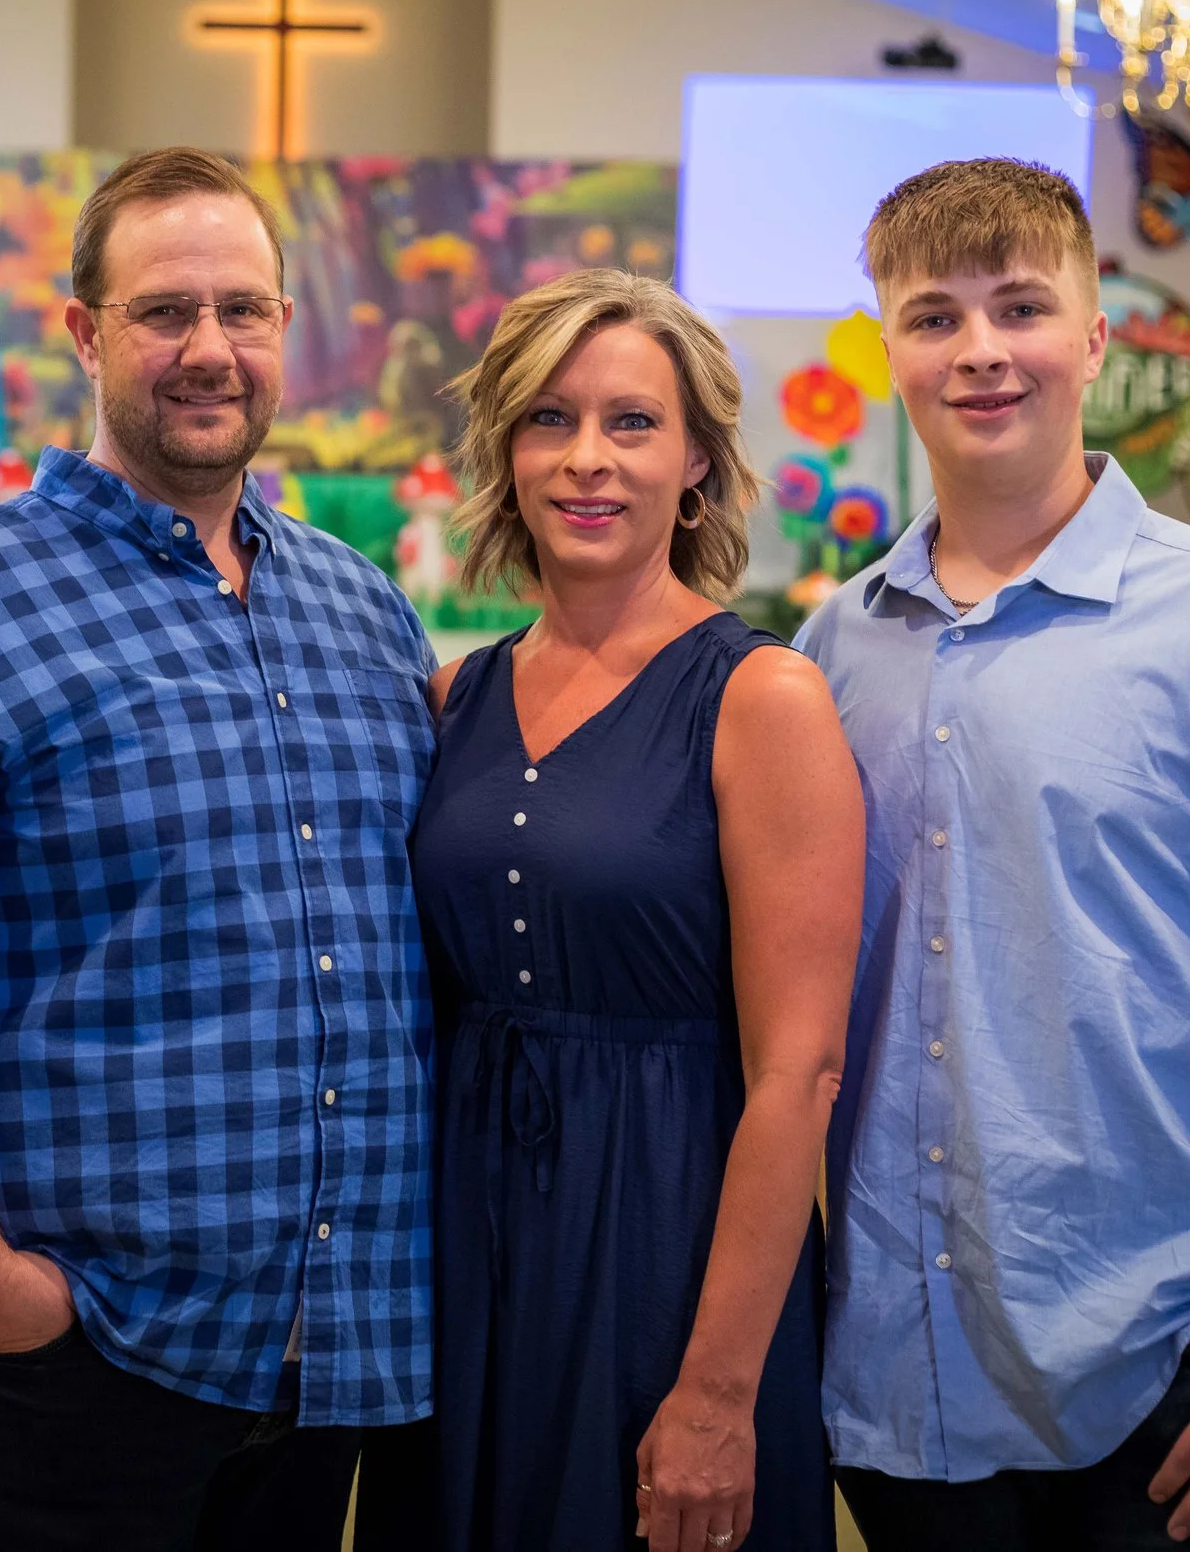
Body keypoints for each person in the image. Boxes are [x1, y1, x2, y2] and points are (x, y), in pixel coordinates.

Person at [0, 146, 437, 1552]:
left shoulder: (359, 607)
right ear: (84, 331)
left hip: (326, 1346)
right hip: (83, 1352)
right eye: (164, 311)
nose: (211, 349)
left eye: (244, 310)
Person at [796, 158, 1190, 1552]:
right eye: (933, 314)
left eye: (1021, 306)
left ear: (1096, 336)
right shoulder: (832, 647)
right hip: (906, 1376)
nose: (979, 350)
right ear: (889, 347)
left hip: (1178, 1374)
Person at [413, 268, 861, 1552]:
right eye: (548, 419)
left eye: (631, 422)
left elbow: (799, 1071)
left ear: (698, 466)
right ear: (505, 455)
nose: (585, 460)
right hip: (469, 1235)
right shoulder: (457, 694)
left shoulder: (761, 699)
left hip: (667, 1233)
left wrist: (719, 1386)